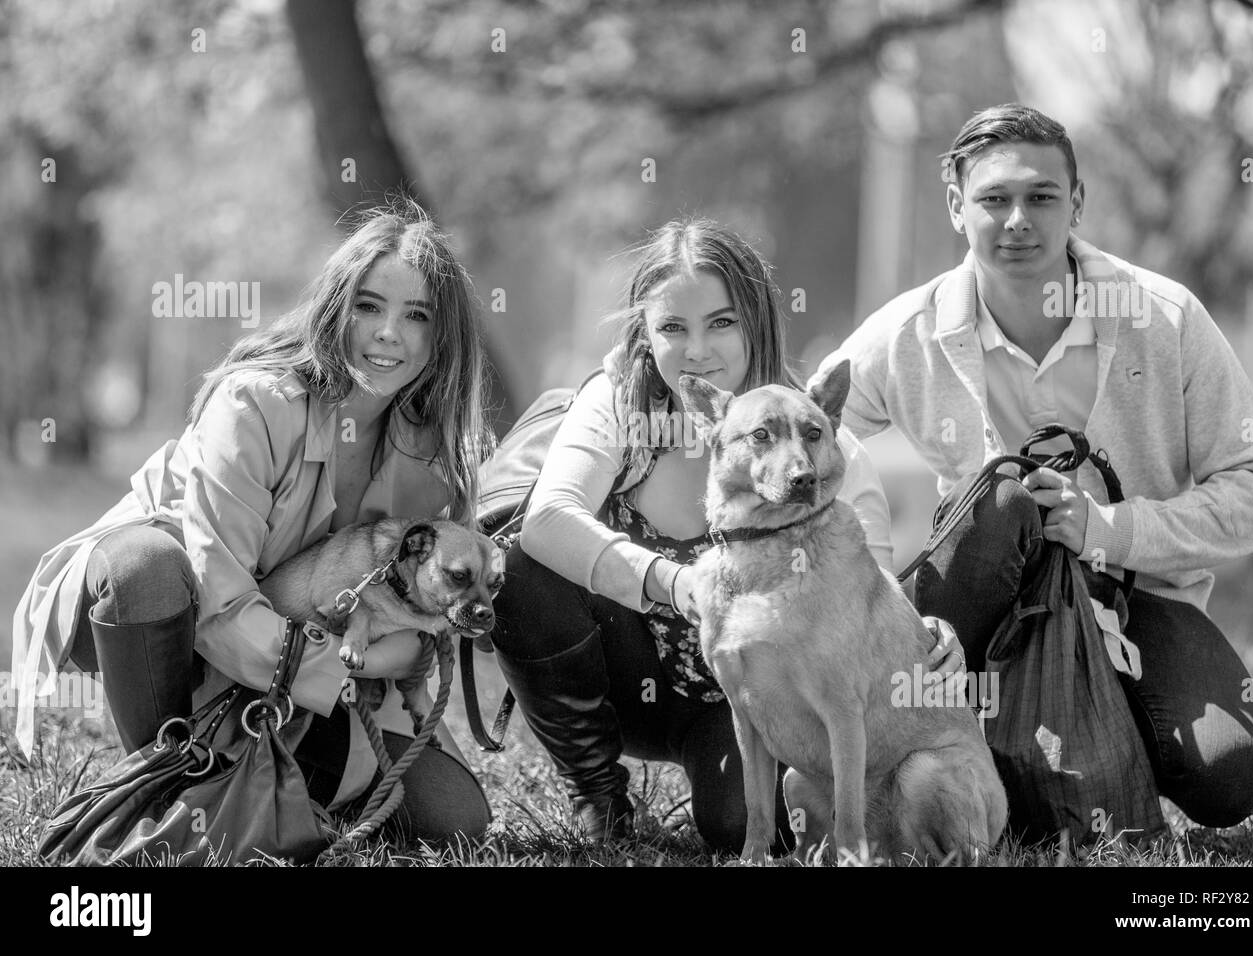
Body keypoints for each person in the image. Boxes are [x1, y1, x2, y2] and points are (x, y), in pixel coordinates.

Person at [817, 104, 1253, 829]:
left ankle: (1087, 750)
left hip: (1140, 595)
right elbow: (808, 433)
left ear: (1076, 202)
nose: (1017, 220)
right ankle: (925, 759)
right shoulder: (907, 332)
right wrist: (877, 568)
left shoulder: (1165, 318)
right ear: (956, 206)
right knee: (1004, 498)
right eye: (993, 199)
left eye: (1041, 197)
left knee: (1230, 776)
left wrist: (1111, 529)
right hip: (979, 593)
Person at [11, 203, 494, 844]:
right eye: (369, 306)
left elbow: (424, 617)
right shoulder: (255, 404)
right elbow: (219, 605)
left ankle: (263, 781)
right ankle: (168, 777)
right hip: (179, 624)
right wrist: (354, 664)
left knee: (457, 819)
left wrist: (392, 651)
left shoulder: (432, 453)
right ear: (335, 307)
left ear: (443, 336)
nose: (389, 335)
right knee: (143, 565)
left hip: (301, 657)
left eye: (417, 315)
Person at [490, 218, 963, 851]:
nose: (697, 350)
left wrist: (931, 630)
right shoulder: (618, 405)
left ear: (757, 323)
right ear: (645, 334)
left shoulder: (816, 444)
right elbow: (548, 516)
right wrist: (672, 582)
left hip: (750, 704)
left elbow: (869, 602)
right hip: (620, 675)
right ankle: (598, 796)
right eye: (672, 328)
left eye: (721, 322)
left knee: (738, 828)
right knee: (519, 565)